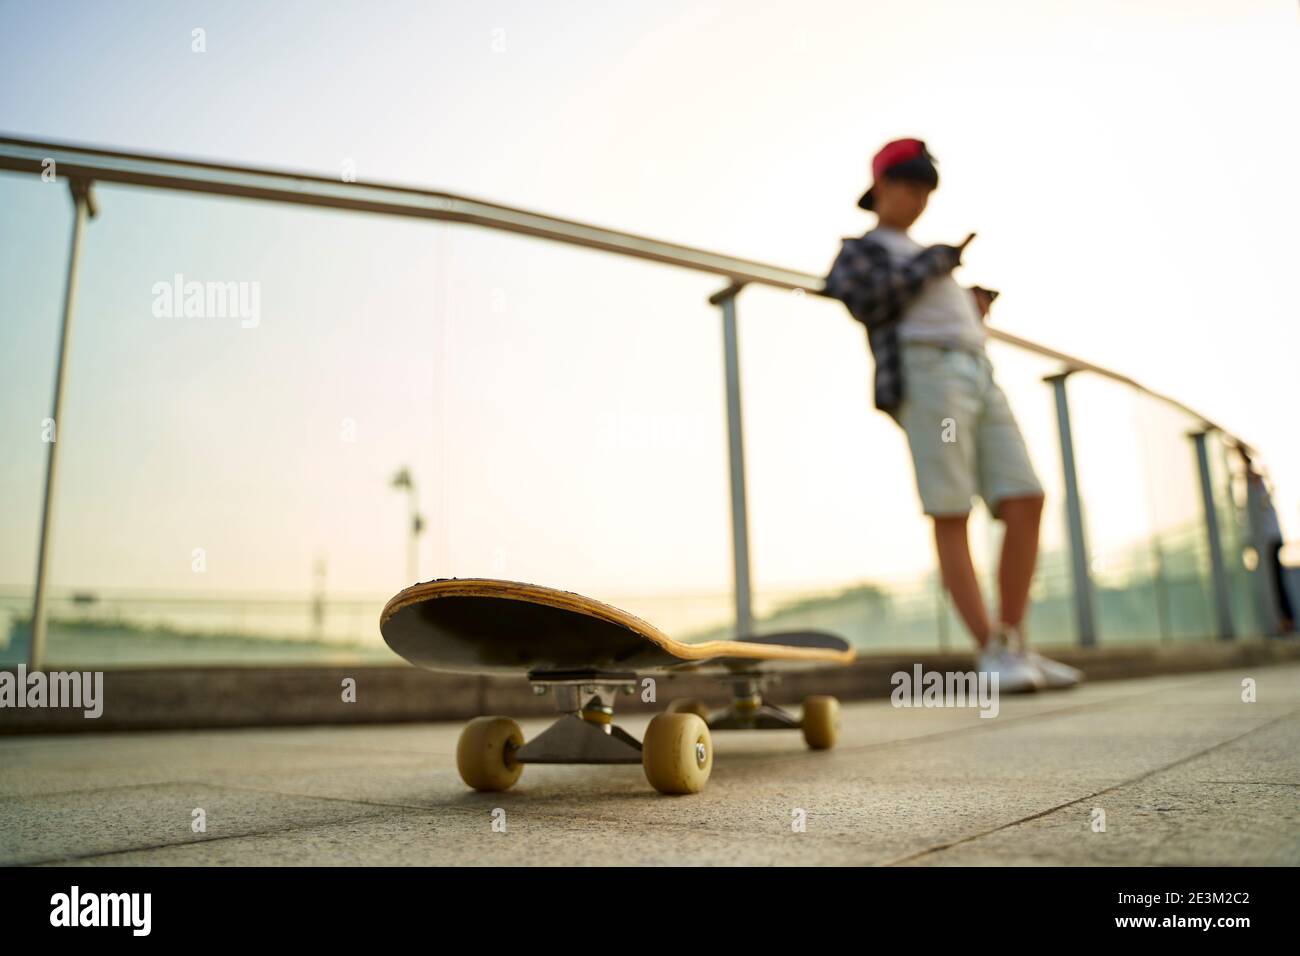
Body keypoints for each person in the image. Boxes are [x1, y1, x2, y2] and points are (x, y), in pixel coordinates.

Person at [823, 137, 1081, 692]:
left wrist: (968, 301)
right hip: (927, 376)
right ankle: (990, 648)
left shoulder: (922, 256)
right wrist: (936, 263)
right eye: (909, 186)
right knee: (950, 508)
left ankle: (1015, 643)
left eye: (925, 189)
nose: (918, 199)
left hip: (977, 369)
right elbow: (860, 298)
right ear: (881, 190)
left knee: (1026, 496)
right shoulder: (862, 249)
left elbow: (917, 291)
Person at [1240, 447, 1294, 634]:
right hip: (1271, 538)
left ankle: (1284, 620)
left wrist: (1241, 454)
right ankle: (1284, 619)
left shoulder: (1258, 486)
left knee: (1274, 582)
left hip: (1270, 540)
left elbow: (1253, 474)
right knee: (1274, 581)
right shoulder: (1260, 488)